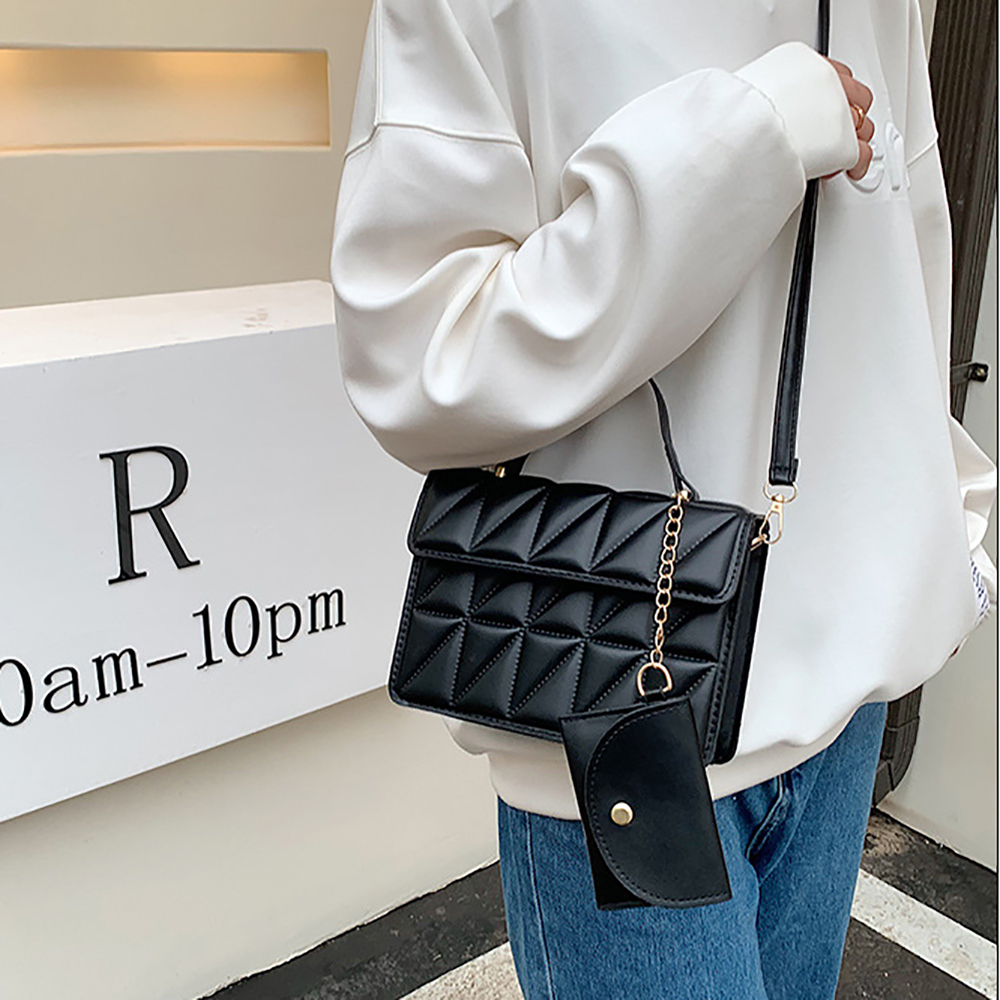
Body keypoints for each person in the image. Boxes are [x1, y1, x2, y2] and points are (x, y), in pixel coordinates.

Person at [331, 1, 996, 996]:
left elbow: (908, 270)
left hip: (847, 694)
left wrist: (948, 534)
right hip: (612, 706)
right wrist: (748, 140)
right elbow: (423, 361)